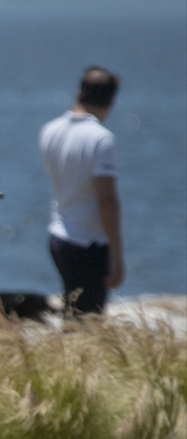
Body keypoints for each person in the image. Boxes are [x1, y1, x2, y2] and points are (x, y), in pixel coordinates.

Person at [40, 66, 124, 316]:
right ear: (109, 103)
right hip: (88, 242)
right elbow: (106, 199)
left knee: (72, 314)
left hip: (59, 235)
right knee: (88, 323)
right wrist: (117, 254)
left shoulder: (51, 130)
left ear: (78, 94)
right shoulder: (101, 138)